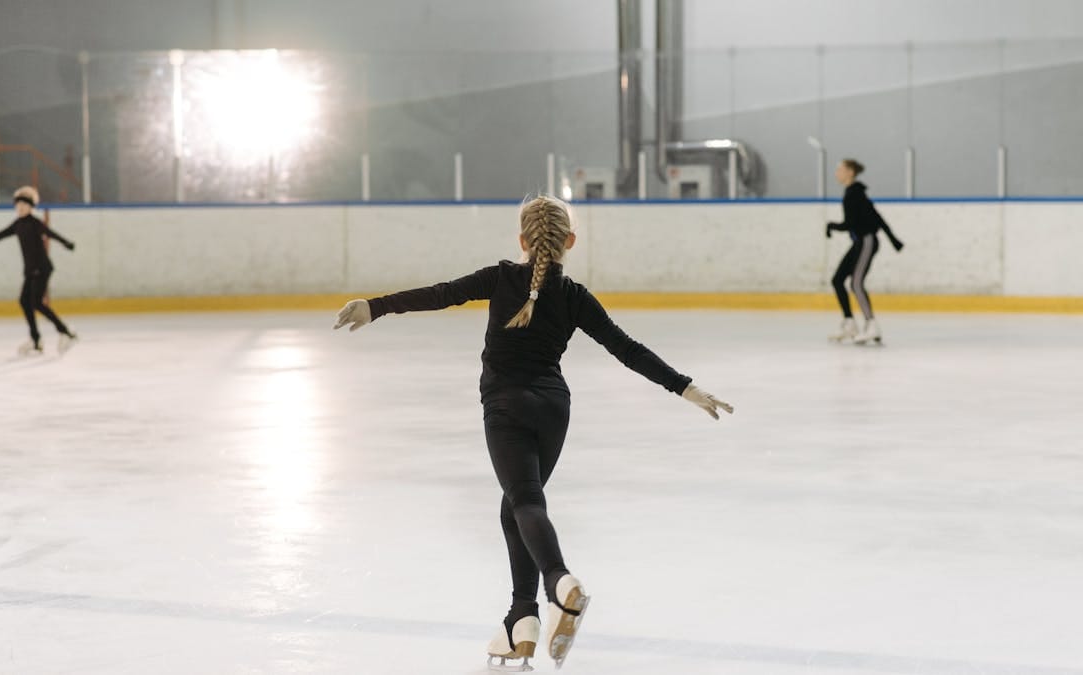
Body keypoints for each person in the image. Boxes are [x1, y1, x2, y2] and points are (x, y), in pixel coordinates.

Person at [332, 195, 733, 671]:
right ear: (570, 242)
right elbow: (627, 348)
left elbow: (438, 294)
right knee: (515, 508)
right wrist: (684, 387)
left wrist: (374, 307)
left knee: (524, 502)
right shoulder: (575, 296)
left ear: (522, 240)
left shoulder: (498, 278)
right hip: (553, 409)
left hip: (505, 406)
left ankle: (559, 584)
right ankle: (522, 619)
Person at [0, 186, 78, 355]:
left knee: (36, 303)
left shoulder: (35, 223)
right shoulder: (18, 225)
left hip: (42, 268)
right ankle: (37, 339)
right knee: (25, 302)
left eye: (24, 205)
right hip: (30, 270)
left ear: (31, 207)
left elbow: (50, 233)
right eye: (18, 205)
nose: (20, 208)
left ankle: (65, 332)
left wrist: (66, 243)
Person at [826, 159, 904, 344]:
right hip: (859, 243)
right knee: (837, 280)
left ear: (850, 172)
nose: (837, 172)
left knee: (856, 283)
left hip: (867, 241)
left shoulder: (855, 194)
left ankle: (872, 326)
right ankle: (850, 323)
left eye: (840, 169)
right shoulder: (853, 193)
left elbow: (854, 223)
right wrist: (893, 240)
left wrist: (831, 226)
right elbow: (876, 217)